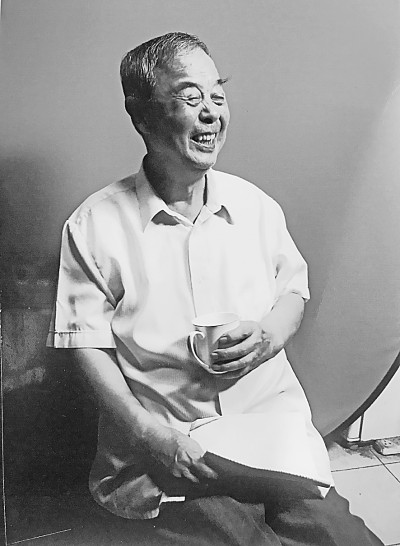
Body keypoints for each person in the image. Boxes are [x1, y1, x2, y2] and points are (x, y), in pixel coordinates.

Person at [47, 32, 383, 545]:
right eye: (190, 96)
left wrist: (268, 335)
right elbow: (84, 345)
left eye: (218, 96)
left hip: (270, 442)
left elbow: (293, 292)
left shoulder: (256, 206)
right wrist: (147, 435)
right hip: (172, 450)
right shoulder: (94, 225)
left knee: (347, 539)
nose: (211, 113)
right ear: (141, 115)